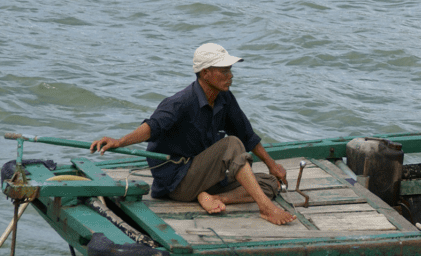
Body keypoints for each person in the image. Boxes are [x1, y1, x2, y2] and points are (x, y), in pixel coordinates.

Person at [90, 43, 296, 226]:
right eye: (224, 71)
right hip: (178, 182)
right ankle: (266, 209)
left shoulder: (225, 98)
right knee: (231, 144)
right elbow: (152, 127)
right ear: (205, 73)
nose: (230, 76)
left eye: (230, 70)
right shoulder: (181, 102)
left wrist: (272, 165)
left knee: (270, 183)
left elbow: (248, 135)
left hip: (205, 177)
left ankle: (215, 197)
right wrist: (119, 142)